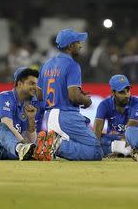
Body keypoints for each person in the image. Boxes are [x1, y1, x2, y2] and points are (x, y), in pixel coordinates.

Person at [35, 28, 103, 161]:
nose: (81, 45)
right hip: (66, 115)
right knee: (96, 151)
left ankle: (54, 145)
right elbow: (74, 97)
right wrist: (86, 100)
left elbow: (39, 95)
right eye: (78, 42)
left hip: (50, 117)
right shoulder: (72, 65)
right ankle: (57, 145)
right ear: (71, 46)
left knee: (81, 146)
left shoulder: (46, 65)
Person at [94, 75, 138, 157]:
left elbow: (129, 131)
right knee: (97, 139)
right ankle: (126, 152)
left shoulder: (136, 103)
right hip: (112, 140)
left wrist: (117, 148)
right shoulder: (104, 105)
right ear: (113, 92)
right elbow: (97, 133)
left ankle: (116, 151)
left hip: (130, 140)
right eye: (122, 92)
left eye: (128, 90)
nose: (127, 95)